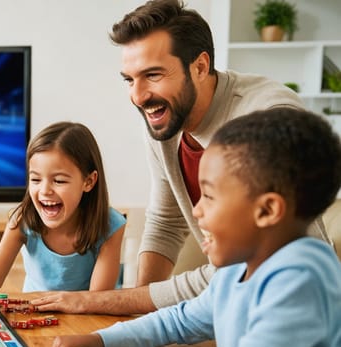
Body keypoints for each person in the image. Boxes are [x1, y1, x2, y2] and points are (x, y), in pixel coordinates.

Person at [43, 107, 341, 347]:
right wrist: (98, 341)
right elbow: (178, 322)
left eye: (210, 197)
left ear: (267, 209)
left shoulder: (301, 275)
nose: (196, 211)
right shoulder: (237, 268)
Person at [30, 0, 330, 315]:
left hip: (299, 310)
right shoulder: (165, 116)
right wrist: (136, 315)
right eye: (130, 79)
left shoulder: (269, 118)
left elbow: (248, 263)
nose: (138, 95)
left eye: (153, 75)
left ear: (200, 66)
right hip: (232, 307)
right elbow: (166, 222)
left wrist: (109, 301)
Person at [0, 122, 125, 311]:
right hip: (35, 313)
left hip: (86, 316)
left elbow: (95, 301)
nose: (44, 191)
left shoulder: (110, 226)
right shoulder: (22, 220)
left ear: (89, 181)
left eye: (59, 180)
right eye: (35, 179)